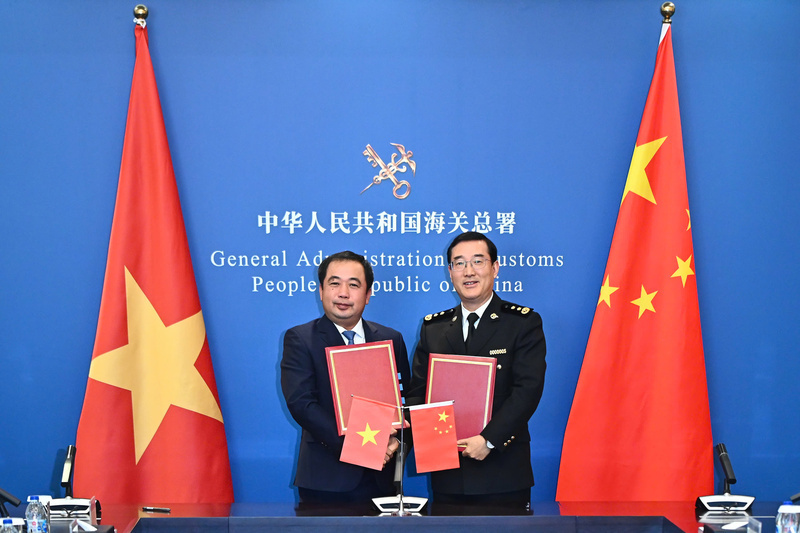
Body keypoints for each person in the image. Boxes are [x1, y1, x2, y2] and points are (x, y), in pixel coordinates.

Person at [407, 232, 546, 508]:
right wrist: (402, 439)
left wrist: (489, 440)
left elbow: (527, 391)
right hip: (448, 474)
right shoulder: (433, 328)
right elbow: (418, 395)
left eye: (477, 262)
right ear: (450, 272)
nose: (468, 271)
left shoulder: (521, 323)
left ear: (495, 267)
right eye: (459, 263)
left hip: (503, 471)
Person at [281, 251, 411, 503]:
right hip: (327, 480)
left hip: (383, 478)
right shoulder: (300, 339)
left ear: (368, 294)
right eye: (334, 283)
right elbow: (302, 404)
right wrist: (362, 446)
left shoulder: (390, 339)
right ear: (321, 290)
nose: (343, 293)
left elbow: (404, 402)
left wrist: (397, 443)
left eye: (354, 284)